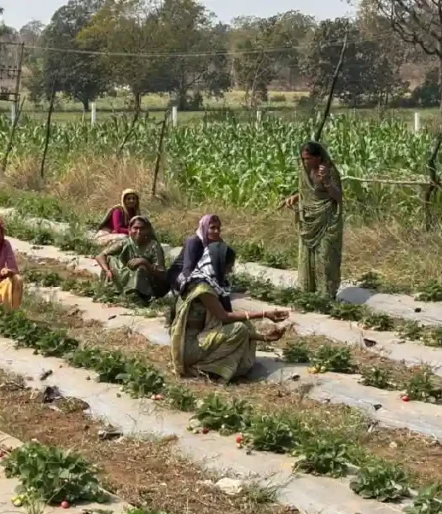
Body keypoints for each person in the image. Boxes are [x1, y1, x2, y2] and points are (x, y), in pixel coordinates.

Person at [170, 241, 289, 383]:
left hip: (200, 339)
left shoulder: (208, 282)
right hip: (189, 349)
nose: (229, 271)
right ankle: (201, 368)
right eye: (228, 266)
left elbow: (225, 317)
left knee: (242, 322)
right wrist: (264, 314)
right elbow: (224, 317)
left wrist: (264, 338)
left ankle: (225, 367)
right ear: (218, 264)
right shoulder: (202, 288)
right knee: (238, 329)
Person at [283, 141, 344, 298]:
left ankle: (326, 295)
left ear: (318, 158)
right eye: (303, 159)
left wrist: (327, 181)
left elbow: (337, 197)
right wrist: (295, 198)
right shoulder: (304, 171)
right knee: (307, 257)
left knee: (325, 257)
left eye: (309, 159)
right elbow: (308, 191)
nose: (305, 162)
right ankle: (308, 294)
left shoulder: (329, 171)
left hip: (326, 220)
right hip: (308, 220)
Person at [95, 216, 169, 303]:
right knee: (111, 259)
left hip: (149, 283)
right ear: (130, 229)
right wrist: (107, 270)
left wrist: (144, 262)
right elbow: (100, 256)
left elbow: (162, 275)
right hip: (127, 276)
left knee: (140, 268)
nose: (139, 232)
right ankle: (117, 290)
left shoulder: (154, 246)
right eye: (135, 228)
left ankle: (138, 296)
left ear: (148, 230)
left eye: (142, 229)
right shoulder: (126, 242)